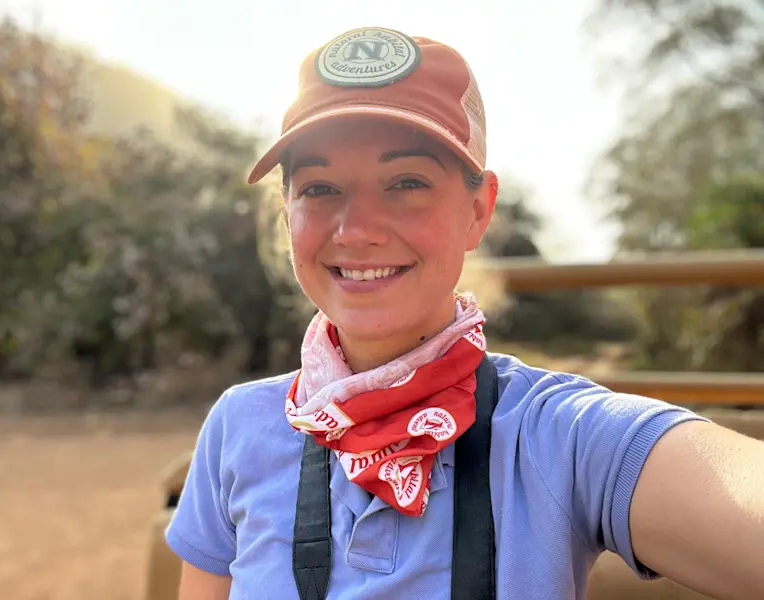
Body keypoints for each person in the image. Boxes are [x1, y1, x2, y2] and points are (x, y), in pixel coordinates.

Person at [165, 26, 764, 600]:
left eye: (406, 182)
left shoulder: (560, 436)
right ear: (287, 210)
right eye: (320, 189)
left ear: (478, 209)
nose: (358, 230)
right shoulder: (238, 428)